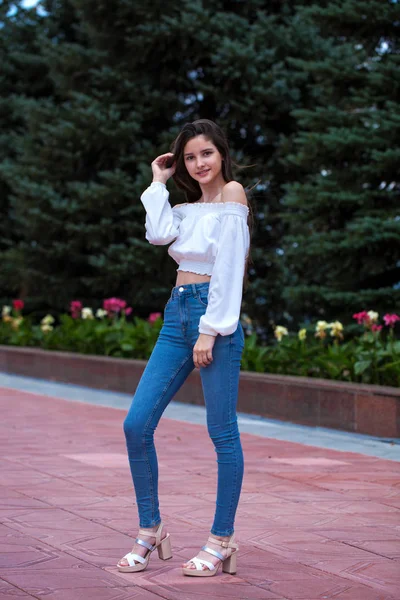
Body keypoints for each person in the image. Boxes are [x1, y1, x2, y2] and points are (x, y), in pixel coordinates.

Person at [118, 119, 251, 577]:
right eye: (190, 157)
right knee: (136, 425)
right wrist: (156, 182)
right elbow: (157, 234)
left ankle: (221, 539)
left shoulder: (233, 194)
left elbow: (231, 267)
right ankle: (150, 531)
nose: (199, 164)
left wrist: (211, 330)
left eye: (206, 154)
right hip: (176, 314)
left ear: (221, 154)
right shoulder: (185, 208)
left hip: (214, 318)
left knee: (222, 432)